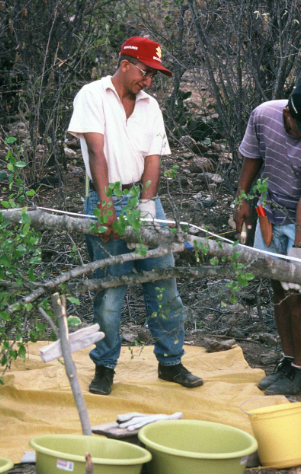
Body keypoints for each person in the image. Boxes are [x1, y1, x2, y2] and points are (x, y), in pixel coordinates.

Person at [67, 36, 203, 395]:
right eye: (145, 72)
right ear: (125, 64)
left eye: (153, 75)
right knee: (111, 289)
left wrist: (147, 206)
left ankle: (171, 362)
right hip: (106, 197)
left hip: (143, 199)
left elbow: (153, 158)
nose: (148, 80)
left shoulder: (150, 106)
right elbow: (96, 152)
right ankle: (105, 367)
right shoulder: (92, 95)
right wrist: (106, 205)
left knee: (163, 282)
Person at [234, 79, 301, 396]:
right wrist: (243, 200)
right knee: (277, 287)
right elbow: (253, 157)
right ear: (288, 115)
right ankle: (289, 361)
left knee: (297, 291)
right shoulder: (264, 115)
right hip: (271, 209)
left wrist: (300, 249)